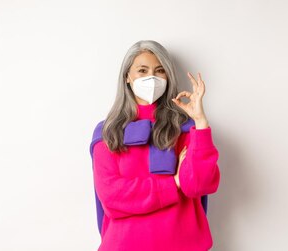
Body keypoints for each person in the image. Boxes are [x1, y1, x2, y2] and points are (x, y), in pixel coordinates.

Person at [91, 40, 220, 251]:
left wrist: (200, 122)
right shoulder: (108, 132)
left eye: (159, 71)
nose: (151, 77)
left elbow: (199, 184)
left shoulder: (185, 128)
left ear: (168, 76)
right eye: (142, 70)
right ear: (127, 77)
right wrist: (173, 183)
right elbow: (112, 196)